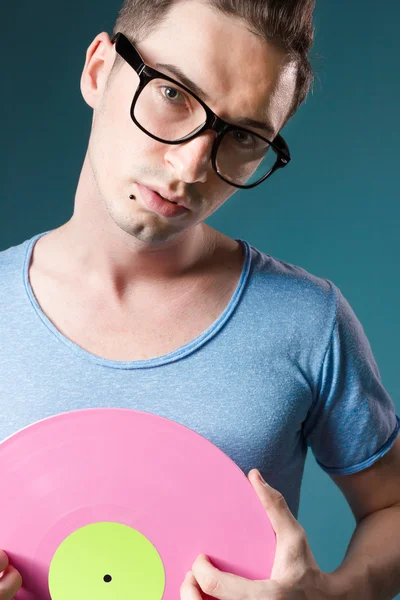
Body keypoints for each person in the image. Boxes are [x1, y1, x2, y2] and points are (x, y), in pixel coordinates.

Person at [1, 0, 400, 598]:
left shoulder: (308, 322)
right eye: (172, 94)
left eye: (241, 135)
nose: (190, 166)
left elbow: (390, 506)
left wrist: (333, 595)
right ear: (98, 69)